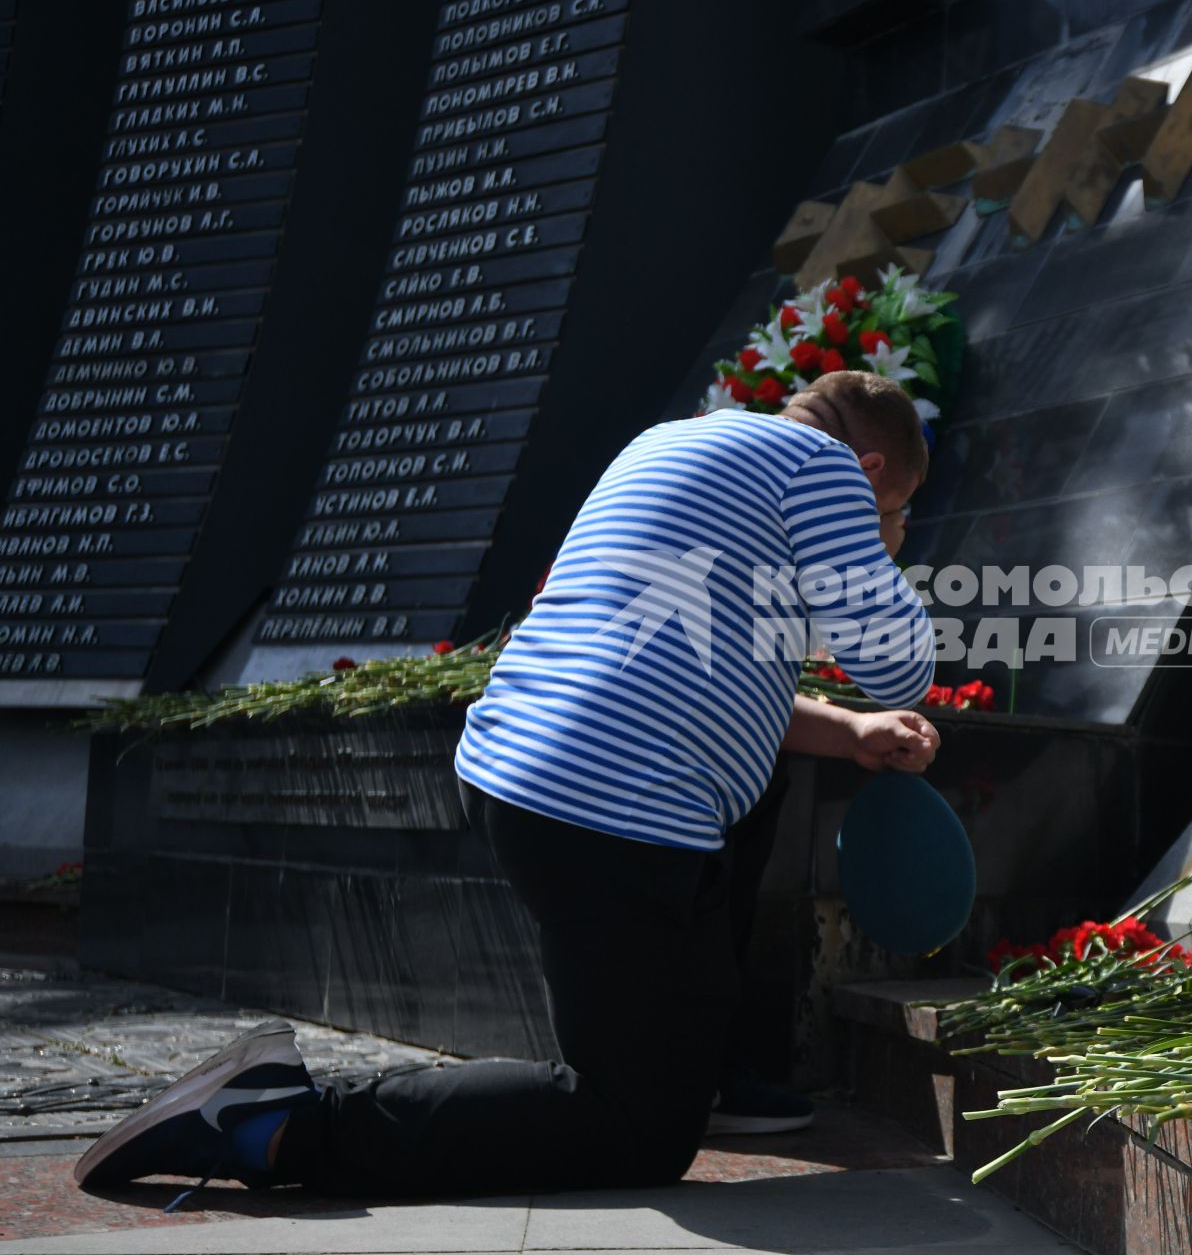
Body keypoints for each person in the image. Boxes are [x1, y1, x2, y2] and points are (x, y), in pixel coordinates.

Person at [76, 371, 939, 1200]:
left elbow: (702, 669)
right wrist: (881, 548)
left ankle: (696, 1071)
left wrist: (851, 730)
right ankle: (276, 1124)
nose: (884, 524)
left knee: (756, 798)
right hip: (613, 812)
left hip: (536, 782)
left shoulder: (676, 441)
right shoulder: (823, 467)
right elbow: (897, 663)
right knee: (633, 1131)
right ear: (870, 471)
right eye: (893, 508)